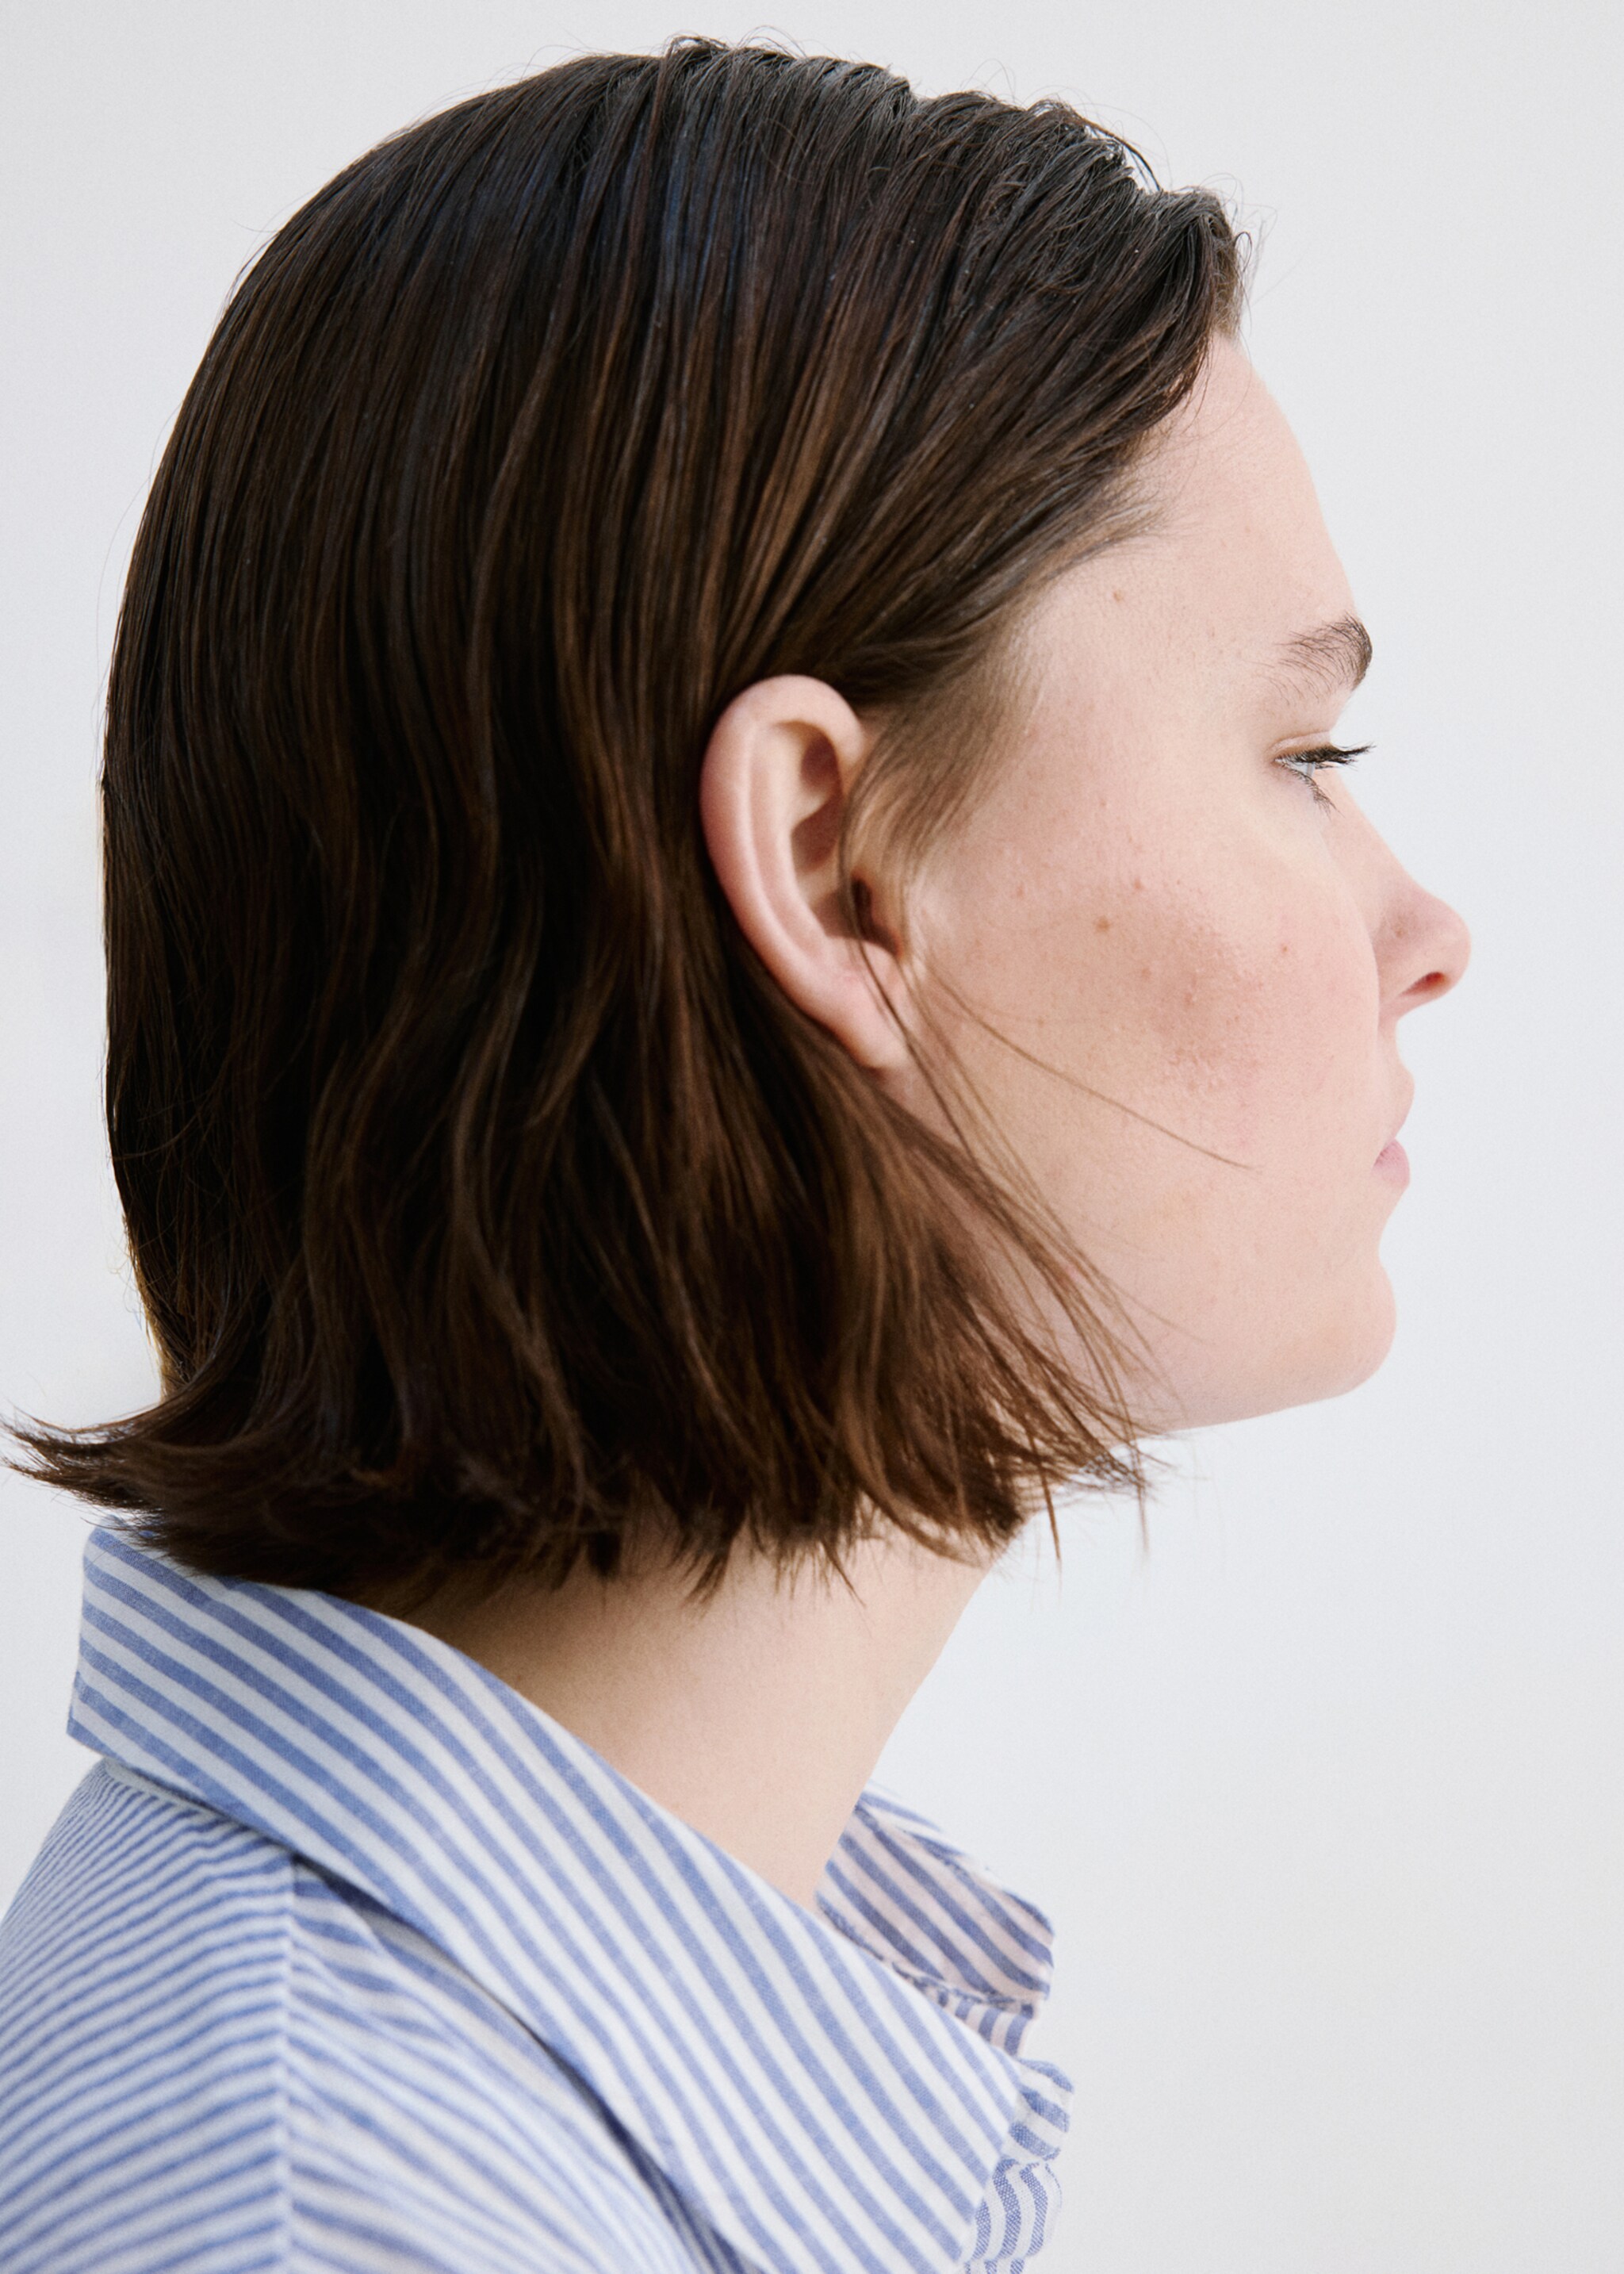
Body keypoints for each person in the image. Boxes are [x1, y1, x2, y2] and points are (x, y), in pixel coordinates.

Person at [0, 38, 1468, 2274]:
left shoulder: (465, 2085)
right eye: (1303, 745)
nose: (1426, 933)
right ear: (837, 862)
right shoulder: (342, 2217)